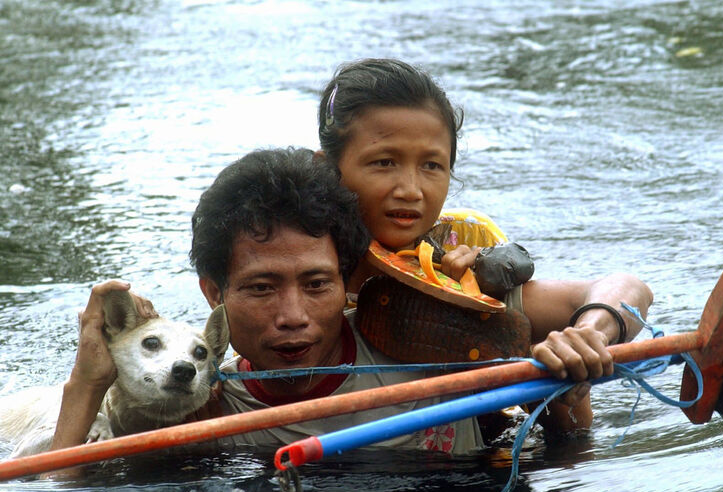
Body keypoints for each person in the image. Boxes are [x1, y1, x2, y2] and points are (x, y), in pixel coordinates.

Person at [48, 147, 617, 458]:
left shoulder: (426, 331)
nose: (292, 315)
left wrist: (588, 336)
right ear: (214, 295)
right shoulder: (201, 405)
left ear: (347, 283)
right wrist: (88, 382)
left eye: (317, 285)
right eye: (261, 288)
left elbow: (625, 289)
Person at [316, 58, 654, 426]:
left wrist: (585, 337)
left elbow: (629, 289)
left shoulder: (464, 250)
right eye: (384, 162)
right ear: (327, 171)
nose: (411, 190)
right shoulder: (299, 259)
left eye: (432, 166)